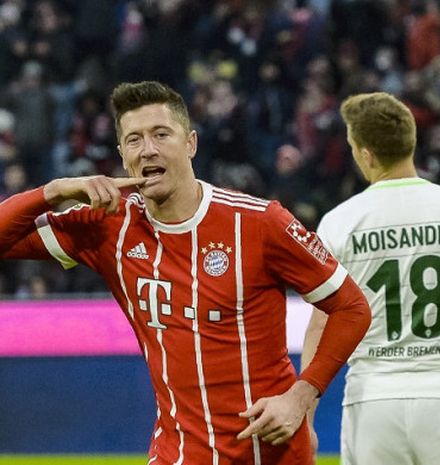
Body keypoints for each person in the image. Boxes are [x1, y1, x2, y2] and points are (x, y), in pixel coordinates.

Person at [0, 81, 372, 465]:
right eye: (134, 140)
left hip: (269, 452)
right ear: (122, 155)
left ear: (191, 143)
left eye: (161, 134)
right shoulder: (107, 227)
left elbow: (352, 307)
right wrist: (54, 191)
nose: (148, 149)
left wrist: (301, 397)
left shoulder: (259, 223)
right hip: (178, 453)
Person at [301, 92, 440, 465]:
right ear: (411, 143)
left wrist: (304, 413)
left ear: (365, 153)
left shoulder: (340, 221)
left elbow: (321, 324)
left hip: (372, 401)